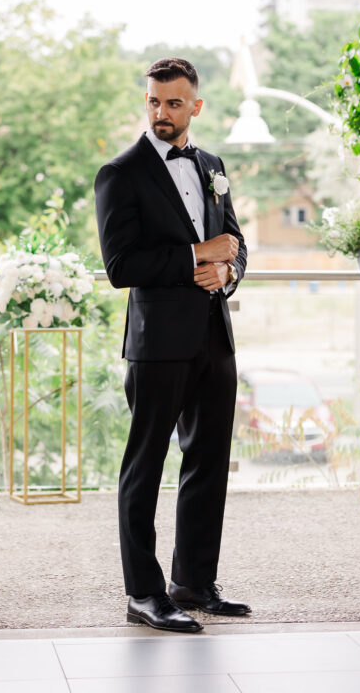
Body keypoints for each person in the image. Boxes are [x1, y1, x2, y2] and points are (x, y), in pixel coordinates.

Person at [94, 57, 250, 633]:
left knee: (208, 460)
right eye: (154, 102)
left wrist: (224, 273)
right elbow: (120, 266)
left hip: (214, 335)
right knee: (145, 465)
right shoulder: (120, 172)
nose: (162, 113)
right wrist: (195, 257)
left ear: (196, 107)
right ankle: (143, 593)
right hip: (157, 343)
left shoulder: (211, 164)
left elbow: (233, 242)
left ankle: (194, 582)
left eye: (174, 103)